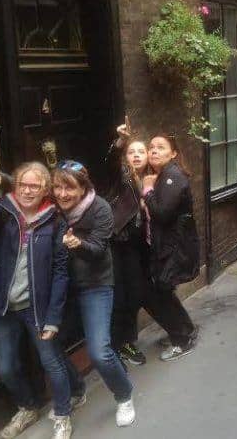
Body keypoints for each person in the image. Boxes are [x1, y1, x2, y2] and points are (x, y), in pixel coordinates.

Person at [0, 163, 74, 439]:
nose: (27, 191)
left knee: (51, 362)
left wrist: (54, 317)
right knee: (7, 368)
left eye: (34, 186)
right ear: (15, 186)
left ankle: (63, 413)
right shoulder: (5, 210)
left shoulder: (55, 220)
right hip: (4, 307)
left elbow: (60, 272)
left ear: (45, 189)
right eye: (22, 185)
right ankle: (28, 407)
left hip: (37, 307)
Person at [52, 161, 136, 427]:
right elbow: (27, 186)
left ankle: (124, 395)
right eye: (57, 187)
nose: (62, 194)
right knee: (48, 343)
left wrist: (77, 245)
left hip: (95, 284)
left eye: (69, 188)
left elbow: (98, 250)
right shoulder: (55, 208)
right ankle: (77, 390)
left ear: (83, 187)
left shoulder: (99, 208)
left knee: (99, 351)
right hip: (63, 287)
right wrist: (4, 181)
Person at [142, 135, 200, 361]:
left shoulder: (172, 176)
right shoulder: (163, 175)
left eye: (160, 147)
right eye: (151, 147)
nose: (154, 151)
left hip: (175, 245)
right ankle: (186, 330)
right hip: (169, 244)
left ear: (173, 153)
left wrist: (147, 190)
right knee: (164, 290)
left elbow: (162, 213)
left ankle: (182, 340)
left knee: (162, 290)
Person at [106, 121, 149, 366]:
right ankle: (118, 346)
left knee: (133, 295)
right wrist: (120, 142)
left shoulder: (153, 179)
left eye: (140, 152)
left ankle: (127, 342)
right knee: (119, 296)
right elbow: (111, 161)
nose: (136, 155)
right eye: (131, 152)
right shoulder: (121, 177)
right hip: (118, 241)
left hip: (138, 245)